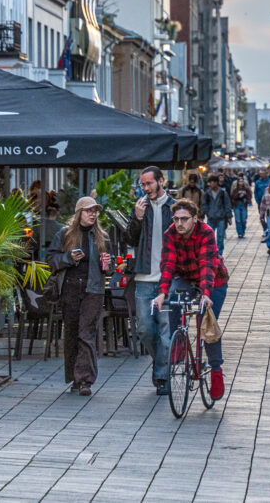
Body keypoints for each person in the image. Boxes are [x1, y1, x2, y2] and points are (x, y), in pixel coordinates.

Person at [151, 199, 230, 400]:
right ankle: (178, 342)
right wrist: (162, 293)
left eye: (184, 219)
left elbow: (207, 265)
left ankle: (216, 370)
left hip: (214, 281)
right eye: (176, 219)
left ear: (195, 219)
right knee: (174, 299)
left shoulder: (206, 232)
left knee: (207, 322)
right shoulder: (170, 234)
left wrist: (206, 294)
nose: (179, 223)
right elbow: (167, 265)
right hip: (185, 278)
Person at [47, 197, 113, 396]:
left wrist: (108, 264)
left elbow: (110, 268)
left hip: (93, 289)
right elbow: (51, 259)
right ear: (79, 214)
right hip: (70, 288)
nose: (92, 214)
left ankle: (85, 380)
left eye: (95, 211)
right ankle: (75, 378)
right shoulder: (65, 234)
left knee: (86, 333)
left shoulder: (102, 237)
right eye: (88, 211)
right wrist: (68, 258)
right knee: (72, 333)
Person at [124, 166, 176, 396]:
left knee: (166, 330)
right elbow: (129, 239)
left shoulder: (174, 208)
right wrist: (137, 218)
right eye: (143, 184)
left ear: (160, 181)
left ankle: (162, 376)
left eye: (149, 183)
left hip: (168, 278)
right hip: (144, 277)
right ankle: (160, 362)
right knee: (144, 328)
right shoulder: (140, 207)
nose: (146, 188)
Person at [201, 175, 232, 255]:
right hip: (211, 218)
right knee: (209, 238)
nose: (210, 184)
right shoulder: (207, 193)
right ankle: (211, 254)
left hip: (221, 218)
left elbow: (227, 205)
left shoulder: (222, 193)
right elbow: (204, 205)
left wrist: (229, 216)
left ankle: (219, 254)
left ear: (216, 182)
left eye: (212, 182)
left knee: (220, 238)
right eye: (209, 182)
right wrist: (207, 213)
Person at [230, 175, 253, 240]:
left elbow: (249, 196)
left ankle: (243, 230)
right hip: (237, 204)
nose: (241, 182)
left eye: (242, 181)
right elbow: (232, 196)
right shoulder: (235, 189)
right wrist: (238, 194)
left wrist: (246, 196)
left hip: (244, 204)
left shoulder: (246, 189)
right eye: (240, 181)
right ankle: (239, 233)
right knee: (238, 220)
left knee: (244, 219)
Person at [254, 168, 270, 233]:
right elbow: (255, 192)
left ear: (266, 174)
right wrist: (257, 200)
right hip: (260, 202)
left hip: (268, 202)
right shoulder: (258, 182)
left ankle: (269, 229)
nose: (261, 175)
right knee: (261, 217)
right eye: (260, 174)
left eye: (262, 174)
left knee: (269, 216)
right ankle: (265, 228)